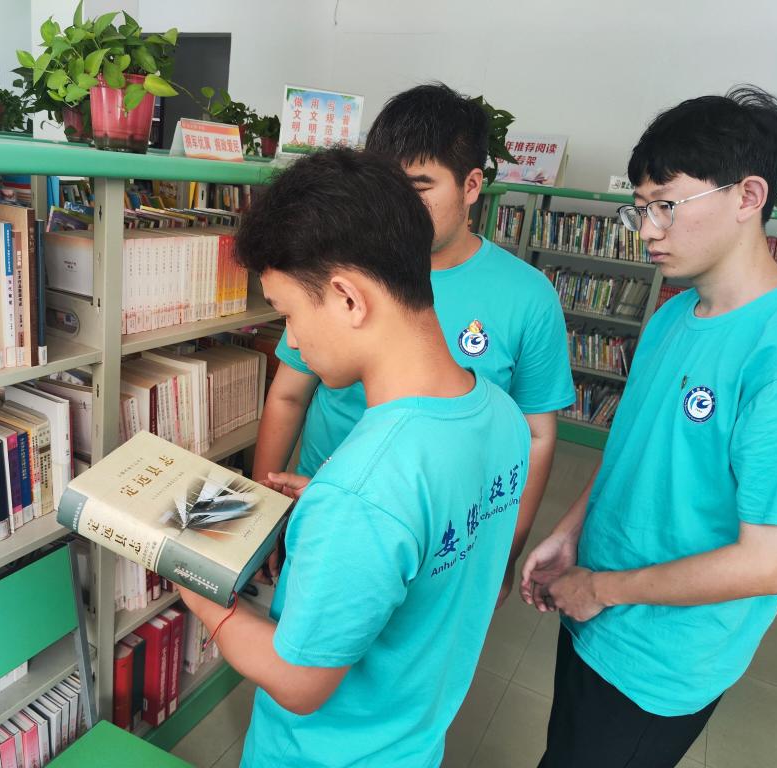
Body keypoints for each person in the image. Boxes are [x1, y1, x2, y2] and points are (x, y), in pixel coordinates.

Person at [177, 148, 530, 768]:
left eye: (288, 314)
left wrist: (198, 592)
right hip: (414, 743)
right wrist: (333, 506)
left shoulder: (363, 491)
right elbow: (428, 534)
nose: (294, 339)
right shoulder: (500, 413)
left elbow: (300, 683)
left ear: (347, 298)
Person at [521, 86, 777, 768]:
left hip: (660, 660)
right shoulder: (674, 314)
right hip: (593, 608)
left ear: (748, 195)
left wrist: (601, 589)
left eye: (666, 205)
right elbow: (634, 448)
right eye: (640, 208)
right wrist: (571, 532)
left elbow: (768, 565)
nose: (647, 230)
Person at [251, 83, 573, 603]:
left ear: (471, 185)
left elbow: (535, 435)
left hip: (432, 534)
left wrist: (503, 550)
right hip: (324, 510)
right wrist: (265, 512)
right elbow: (288, 394)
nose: (399, 206)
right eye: (388, 187)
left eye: (420, 186)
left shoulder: (527, 296)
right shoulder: (342, 266)